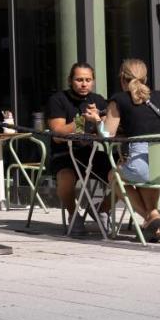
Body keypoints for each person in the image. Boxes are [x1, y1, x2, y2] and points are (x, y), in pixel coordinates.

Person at [101, 59, 160, 240]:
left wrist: (96, 122)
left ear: (122, 78)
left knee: (114, 177)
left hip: (144, 164)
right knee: (148, 173)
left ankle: (148, 217)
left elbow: (108, 134)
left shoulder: (119, 99)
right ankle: (153, 218)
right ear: (145, 78)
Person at [45, 62, 111, 225]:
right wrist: (82, 120)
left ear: (93, 81)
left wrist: (98, 121)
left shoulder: (98, 100)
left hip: (91, 153)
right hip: (64, 154)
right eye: (79, 79)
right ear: (70, 80)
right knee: (66, 179)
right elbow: (58, 133)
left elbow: (107, 132)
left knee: (122, 176)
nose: (84, 84)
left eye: (88, 80)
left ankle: (101, 208)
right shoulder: (58, 100)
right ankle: (74, 215)